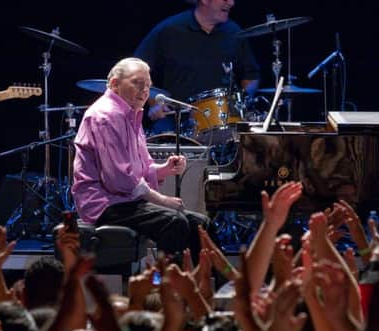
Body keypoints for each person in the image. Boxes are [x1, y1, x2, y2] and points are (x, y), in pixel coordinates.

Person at [72, 57, 211, 262]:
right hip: (103, 203)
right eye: (137, 83)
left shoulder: (130, 114)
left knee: (202, 224)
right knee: (174, 221)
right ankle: (168, 287)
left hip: (124, 200)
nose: (145, 90)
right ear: (114, 84)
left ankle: (214, 283)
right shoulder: (106, 116)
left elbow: (140, 169)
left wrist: (164, 169)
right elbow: (119, 179)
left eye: (148, 86)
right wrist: (162, 200)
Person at [134, 0, 260, 133]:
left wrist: (242, 103)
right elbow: (137, 67)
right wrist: (154, 102)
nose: (231, 3)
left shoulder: (234, 32)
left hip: (223, 120)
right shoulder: (169, 29)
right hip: (175, 119)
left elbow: (251, 76)